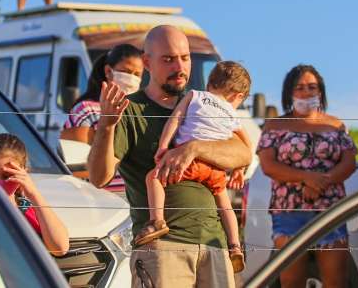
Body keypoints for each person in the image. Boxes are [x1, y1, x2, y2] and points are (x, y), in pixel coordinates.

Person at [88, 25, 252, 288]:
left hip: (215, 245)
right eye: (168, 59)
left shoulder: (202, 104)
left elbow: (243, 153)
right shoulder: (130, 110)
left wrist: (193, 148)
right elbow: (98, 177)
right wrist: (107, 126)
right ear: (147, 62)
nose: (180, 67)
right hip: (163, 248)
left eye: (185, 58)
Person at [135, 61, 252, 273]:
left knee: (153, 177)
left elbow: (175, 119)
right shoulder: (232, 114)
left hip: (188, 162)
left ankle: (157, 220)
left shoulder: (195, 96)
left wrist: (163, 146)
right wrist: (239, 169)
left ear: (210, 82)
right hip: (215, 168)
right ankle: (235, 245)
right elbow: (246, 146)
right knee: (225, 205)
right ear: (238, 96)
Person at [258, 64, 356, 288]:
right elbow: (268, 165)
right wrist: (305, 178)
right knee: (291, 282)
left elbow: (349, 163)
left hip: (330, 212)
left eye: (312, 87)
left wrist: (320, 183)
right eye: (299, 87)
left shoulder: (336, 124)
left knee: (337, 281)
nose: (306, 92)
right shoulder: (275, 125)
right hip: (289, 213)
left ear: (320, 91)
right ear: (289, 93)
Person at [0, 133, 69, 256]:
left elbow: (60, 248)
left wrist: (33, 192)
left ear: (23, 174)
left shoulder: (28, 208)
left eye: (7, 176)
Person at [60, 44, 143, 144]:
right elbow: (77, 154)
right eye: (126, 72)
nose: (131, 79)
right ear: (108, 71)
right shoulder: (86, 110)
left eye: (137, 74)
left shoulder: (139, 111)